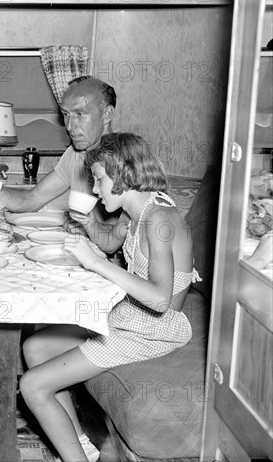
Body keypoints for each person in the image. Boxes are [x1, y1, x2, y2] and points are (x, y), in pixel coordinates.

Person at [19, 133, 200, 462]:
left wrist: (97, 265)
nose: (95, 188)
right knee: (35, 346)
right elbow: (109, 243)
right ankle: (81, 448)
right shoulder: (139, 211)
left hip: (155, 328)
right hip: (133, 316)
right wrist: (88, 222)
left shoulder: (159, 220)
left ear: (122, 174)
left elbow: (160, 300)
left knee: (32, 386)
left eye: (99, 179)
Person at [0, 75, 127, 253]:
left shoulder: (127, 159)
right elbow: (32, 199)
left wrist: (89, 229)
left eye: (80, 114)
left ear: (107, 114)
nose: (70, 126)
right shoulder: (75, 154)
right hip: (79, 254)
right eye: (66, 114)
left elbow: (128, 235)